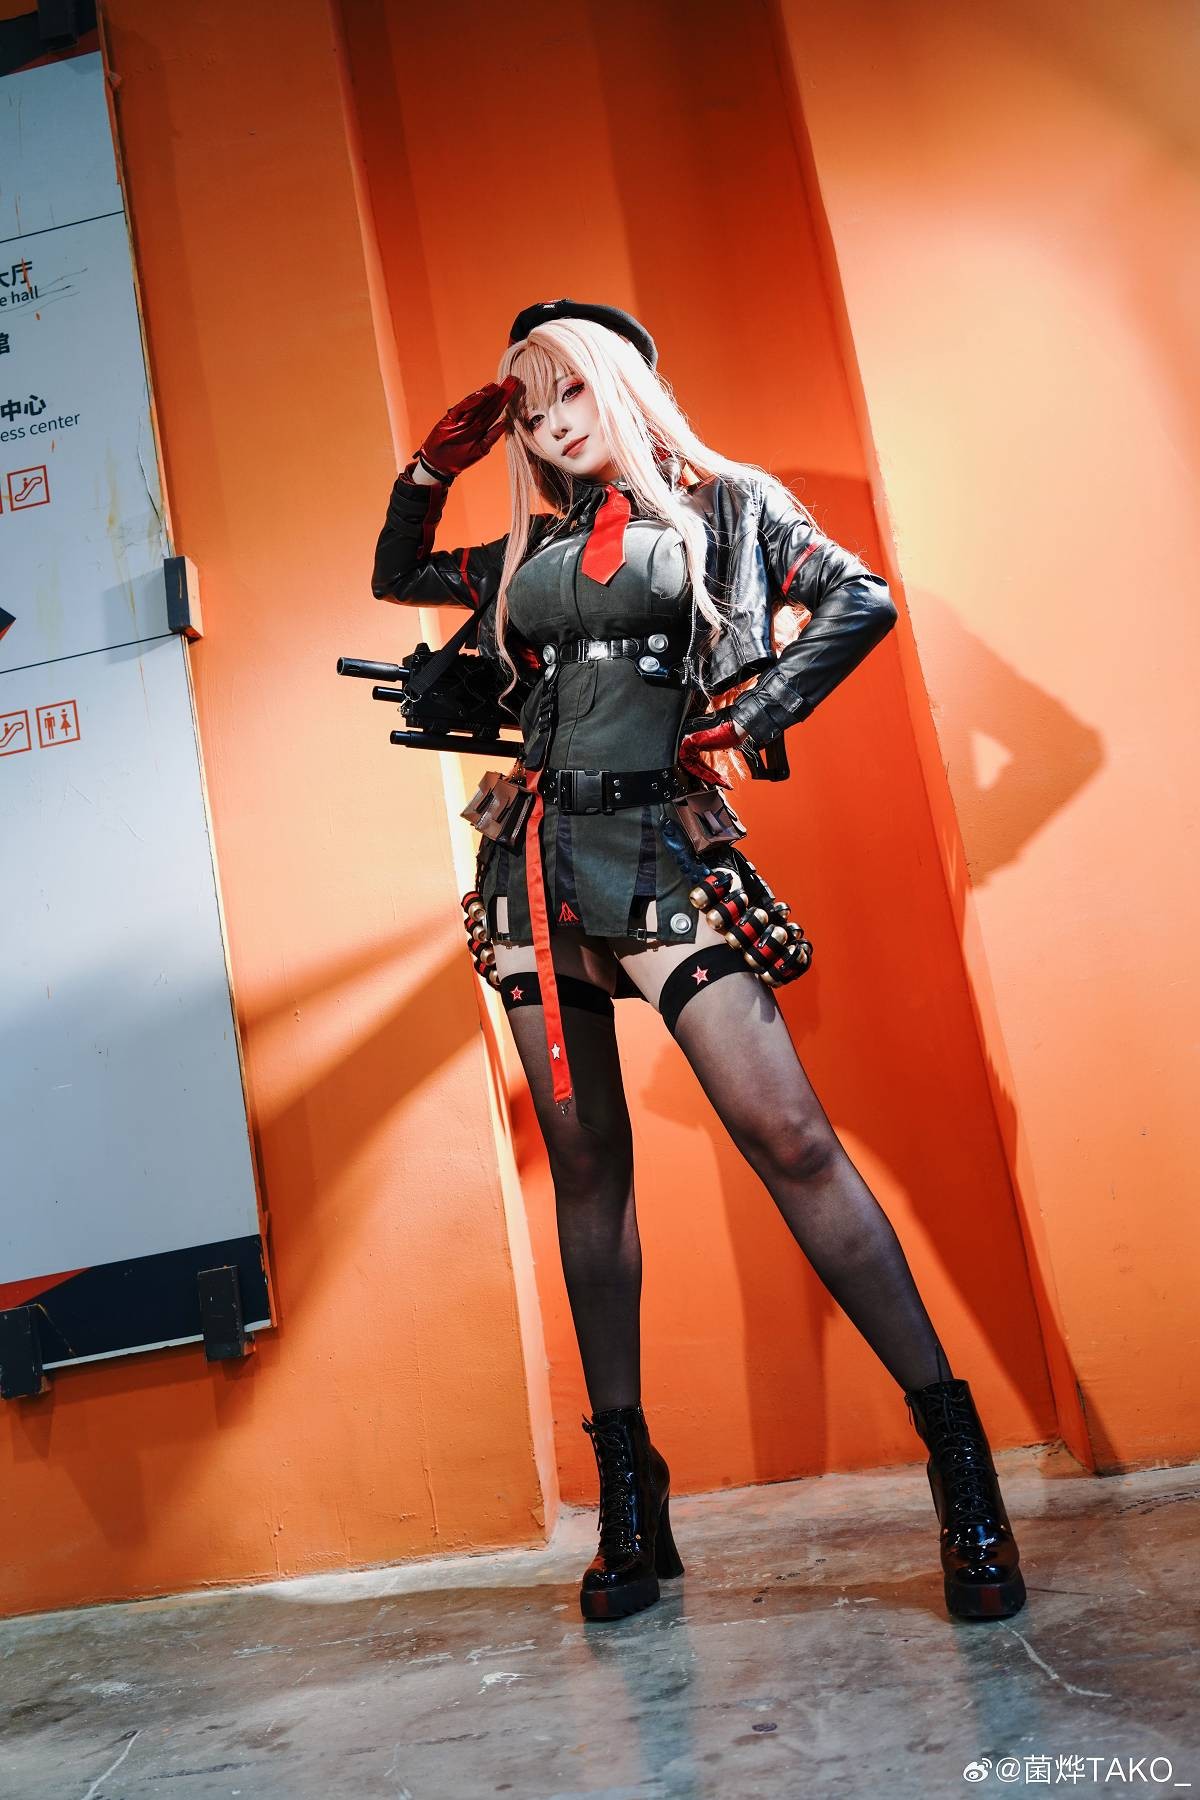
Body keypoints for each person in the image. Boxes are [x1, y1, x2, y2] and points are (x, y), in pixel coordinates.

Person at [371, 297, 1025, 1626]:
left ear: (623, 388)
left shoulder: (732, 508)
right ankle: (632, 1494)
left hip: (665, 858)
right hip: (533, 870)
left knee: (792, 1142)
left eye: (572, 393)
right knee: (589, 1175)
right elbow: (399, 575)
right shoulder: (523, 547)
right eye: (531, 408)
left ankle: (957, 1458)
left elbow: (859, 600)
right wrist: (431, 467)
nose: (554, 426)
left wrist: (757, 708)